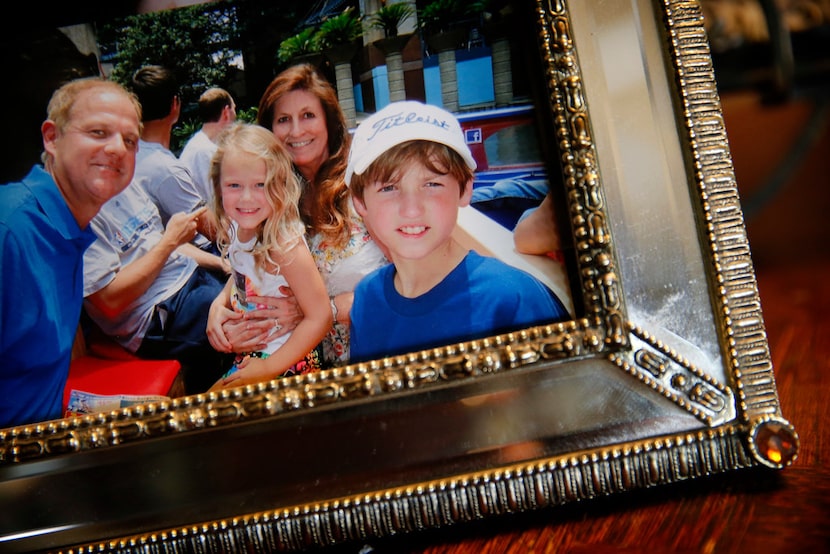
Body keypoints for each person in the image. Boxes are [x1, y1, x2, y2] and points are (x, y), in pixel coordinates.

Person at [345, 101, 570, 362]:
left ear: (465, 189)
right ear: (360, 202)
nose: (411, 209)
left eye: (431, 183)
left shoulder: (514, 300)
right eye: (388, 188)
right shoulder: (366, 298)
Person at [208, 63, 387, 368]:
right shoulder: (270, 196)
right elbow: (255, 256)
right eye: (283, 120)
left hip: (372, 348)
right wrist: (219, 305)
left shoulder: (367, 183)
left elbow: (412, 279)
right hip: (303, 358)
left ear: (329, 121)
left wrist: (324, 310)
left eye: (308, 116)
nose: (296, 131)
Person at [0, 77, 142, 428]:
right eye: (98, 132)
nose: (117, 149)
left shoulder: (68, 228)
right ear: (52, 138)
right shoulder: (9, 232)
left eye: (129, 140)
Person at [82, 162, 230, 394]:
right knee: (253, 318)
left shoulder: (124, 183)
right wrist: (170, 241)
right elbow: (109, 301)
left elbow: (159, 244)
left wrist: (221, 264)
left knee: (263, 293)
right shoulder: (81, 211)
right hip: (158, 311)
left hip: (191, 278)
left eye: (128, 139)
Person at [206, 124, 331, 391]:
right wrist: (218, 304)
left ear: (279, 185)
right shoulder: (238, 226)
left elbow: (320, 316)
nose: (247, 197)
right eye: (234, 185)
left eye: (260, 185)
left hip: (285, 359)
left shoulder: (283, 245)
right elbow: (243, 273)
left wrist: (267, 368)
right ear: (219, 187)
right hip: (253, 355)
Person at [130, 65, 220, 257]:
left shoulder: (129, 155)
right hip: (192, 261)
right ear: (175, 104)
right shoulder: (165, 169)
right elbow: (215, 232)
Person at [179, 87, 236, 203]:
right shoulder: (206, 152)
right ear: (226, 113)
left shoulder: (197, 145)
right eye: (234, 109)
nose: (236, 115)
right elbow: (218, 201)